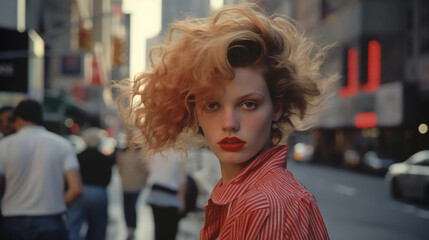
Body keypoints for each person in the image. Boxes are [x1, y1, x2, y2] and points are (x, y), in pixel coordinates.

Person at [118, 3, 337, 239]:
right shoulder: (246, 195)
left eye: (248, 104)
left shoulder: (266, 205)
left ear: (277, 108)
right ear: (195, 114)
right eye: (212, 106)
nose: (230, 123)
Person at [0, 99, 83, 239]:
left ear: (18, 119)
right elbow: (76, 189)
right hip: (51, 218)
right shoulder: (62, 145)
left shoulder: (4, 146)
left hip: (12, 219)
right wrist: (57, 203)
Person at [67, 127, 115, 240]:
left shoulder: (78, 157)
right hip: (99, 192)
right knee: (98, 227)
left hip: (80, 191)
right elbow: (107, 179)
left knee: (74, 224)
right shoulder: (105, 159)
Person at [145, 149, 186, 240]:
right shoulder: (178, 152)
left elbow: (149, 170)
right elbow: (181, 179)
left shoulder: (153, 151)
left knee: (158, 231)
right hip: (171, 197)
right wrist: (181, 200)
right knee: (170, 233)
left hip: (155, 195)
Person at [116, 145, 147, 240]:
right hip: (127, 185)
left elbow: (144, 171)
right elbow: (120, 168)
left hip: (135, 185)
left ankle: (132, 228)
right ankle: (130, 228)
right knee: (128, 207)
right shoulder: (123, 154)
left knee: (131, 207)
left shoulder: (139, 155)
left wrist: (143, 182)